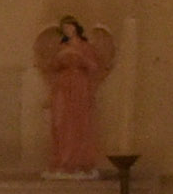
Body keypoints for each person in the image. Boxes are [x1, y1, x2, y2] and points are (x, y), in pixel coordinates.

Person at [35, 14, 118, 177]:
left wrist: (80, 59)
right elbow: (51, 67)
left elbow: (94, 67)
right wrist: (60, 59)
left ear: (76, 28)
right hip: (63, 86)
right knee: (61, 123)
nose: (67, 30)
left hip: (80, 86)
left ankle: (79, 161)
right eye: (65, 28)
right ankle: (63, 160)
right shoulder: (61, 47)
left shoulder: (85, 47)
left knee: (79, 123)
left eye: (69, 27)